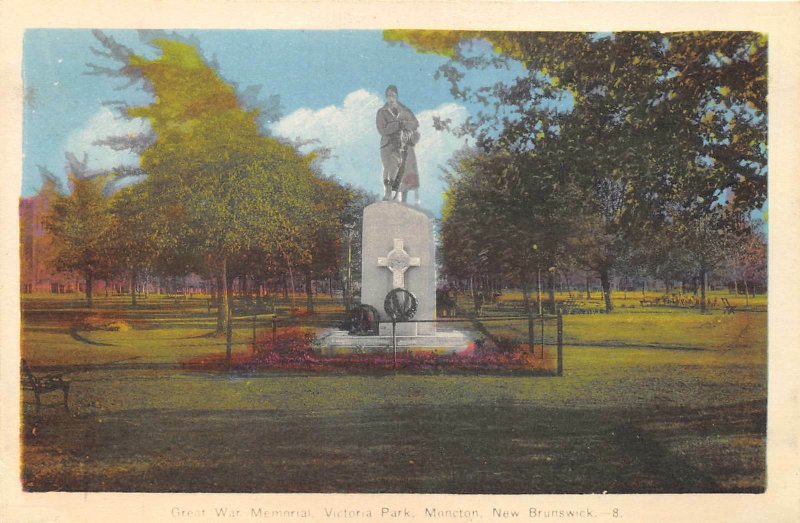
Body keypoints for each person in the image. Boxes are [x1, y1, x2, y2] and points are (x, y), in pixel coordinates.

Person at [376, 85, 420, 204]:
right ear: (386, 97)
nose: (391, 98)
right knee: (386, 168)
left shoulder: (404, 110)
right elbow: (382, 130)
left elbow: (415, 123)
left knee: (395, 168)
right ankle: (387, 192)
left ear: (397, 96)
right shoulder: (381, 112)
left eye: (393, 95)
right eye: (389, 95)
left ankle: (394, 193)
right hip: (386, 145)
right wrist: (397, 125)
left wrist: (404, 124)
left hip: (399, 144)